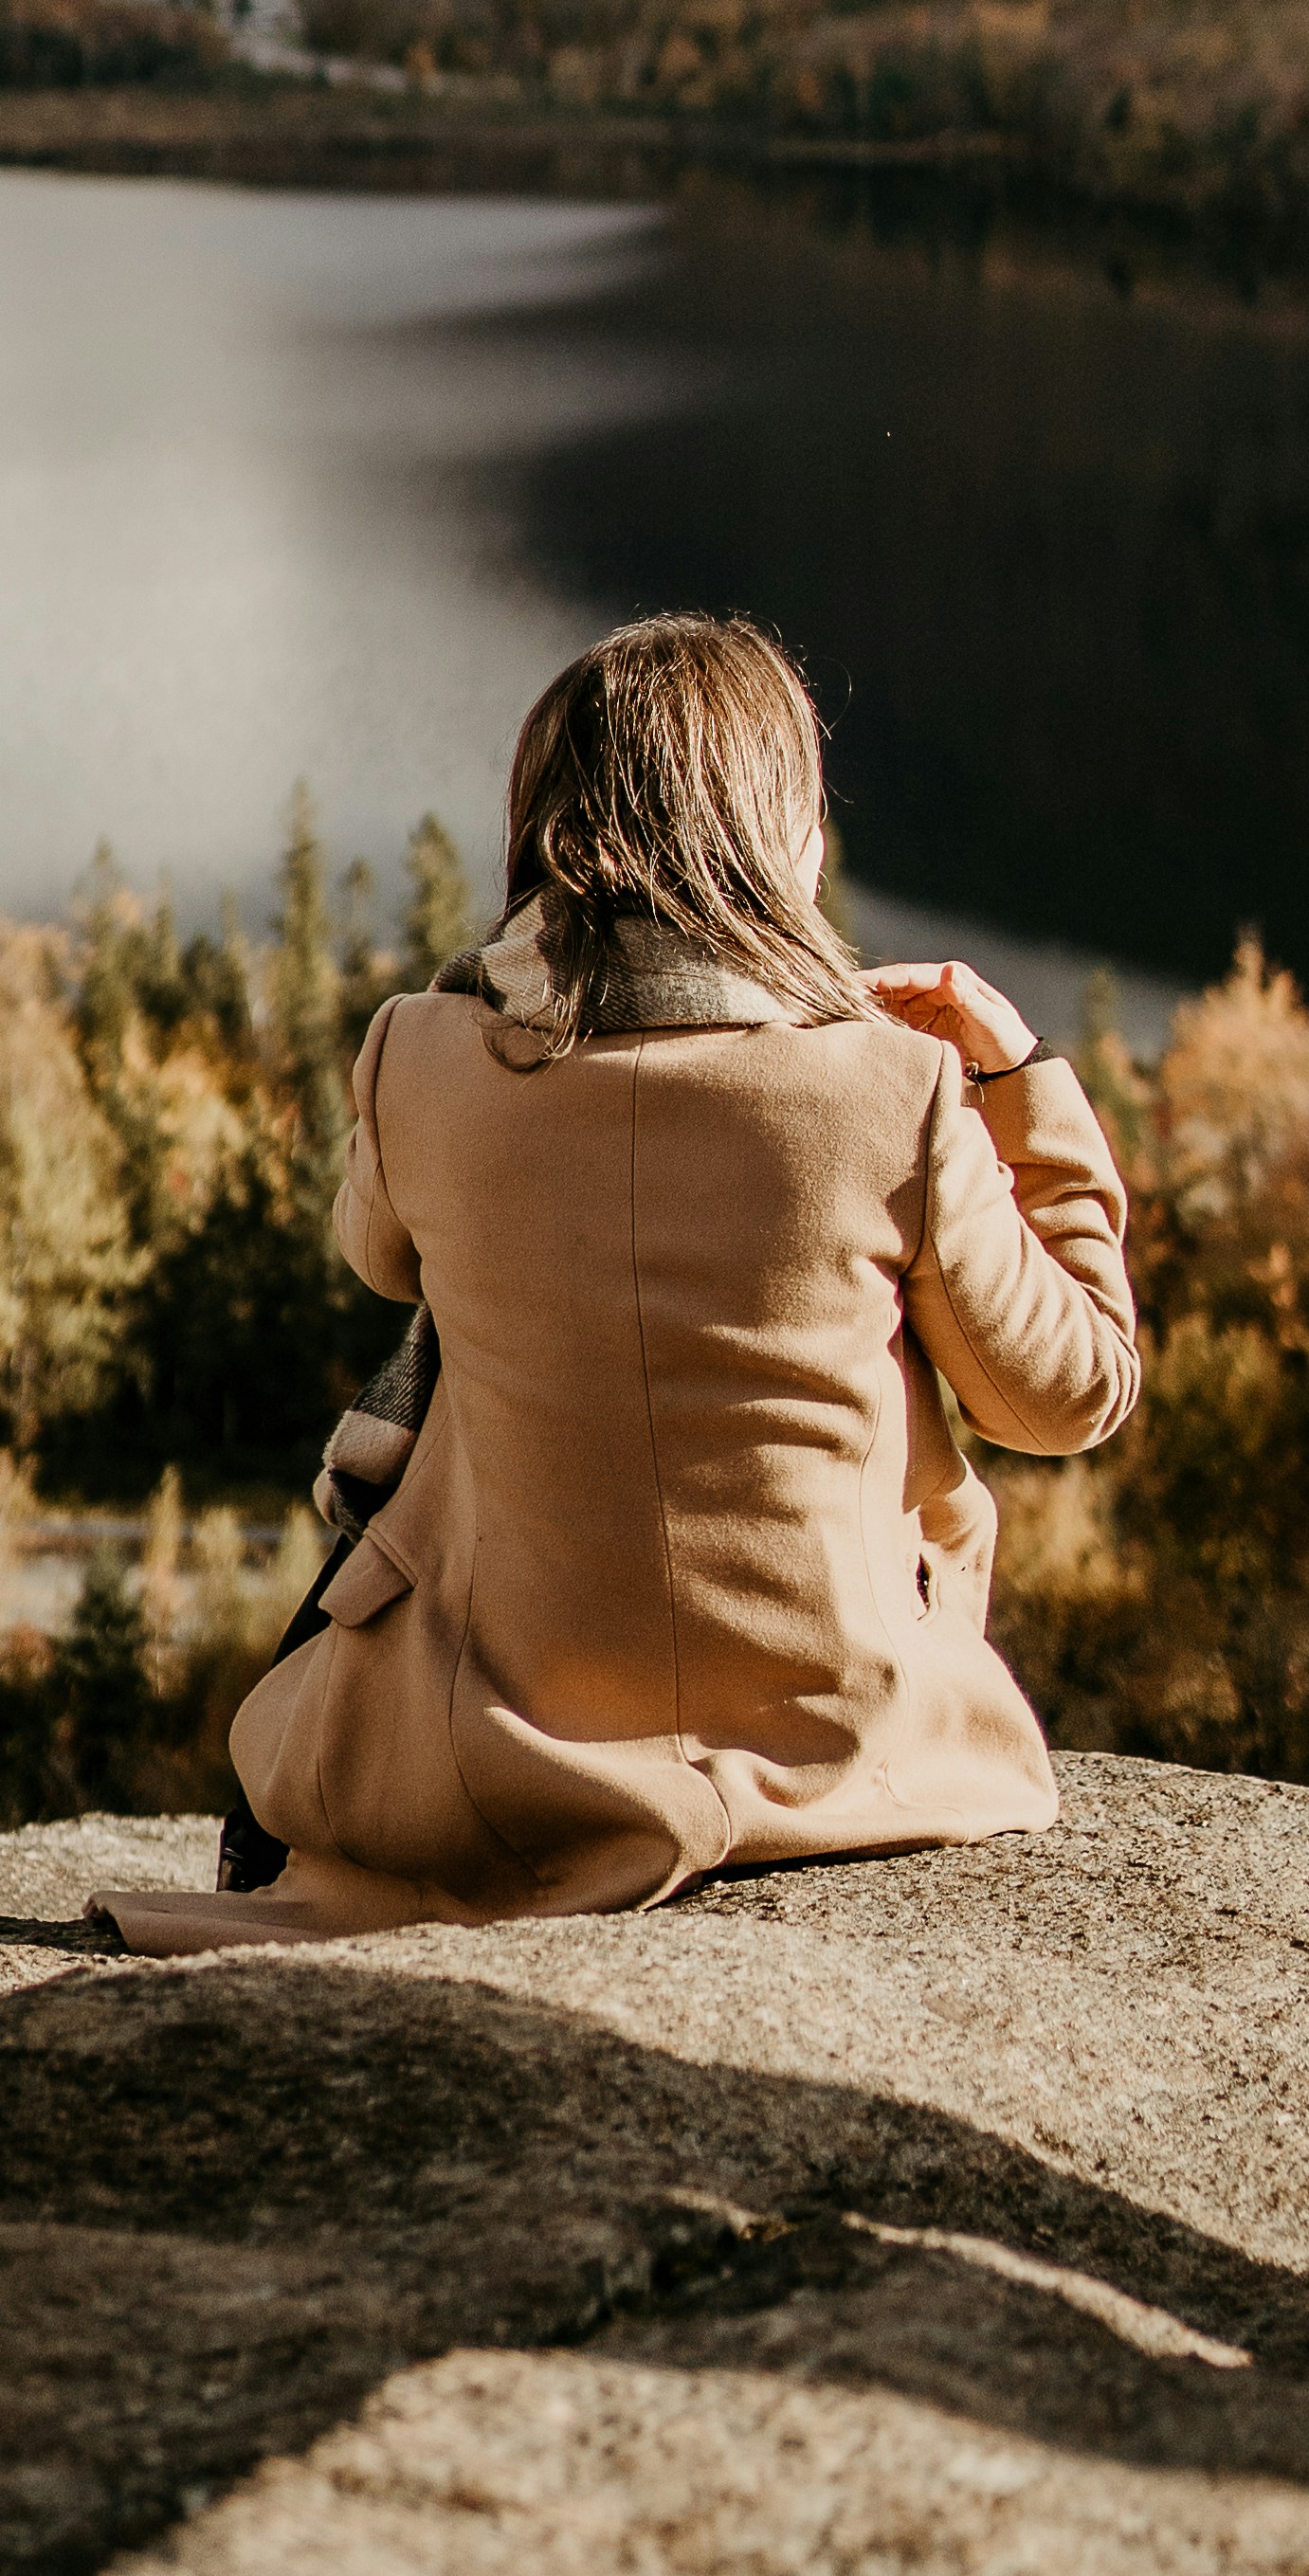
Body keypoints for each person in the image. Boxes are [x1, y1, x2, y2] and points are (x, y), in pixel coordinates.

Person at [104, 611, 1140, 1952]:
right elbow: (1077, 1394)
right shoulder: (901, 1093)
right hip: (848, 1758)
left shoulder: (419, 1056)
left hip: (496, 1765)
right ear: (783, 838)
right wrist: (1021, 1079)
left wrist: (492, 999)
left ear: (545, 831)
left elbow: (376, 1253)